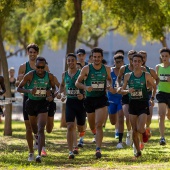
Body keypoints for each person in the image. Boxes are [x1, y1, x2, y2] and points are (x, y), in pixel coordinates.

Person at [75, 47, 114, 159]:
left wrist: (109, 85)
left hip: (101, 98)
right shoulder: (86, 69)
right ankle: (93, 132)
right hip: (90, 100)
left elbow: (110, 79)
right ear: (91, 58)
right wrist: (85, 87)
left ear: (102, 58)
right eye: (95, 57)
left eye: (99, 57)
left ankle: (98, 149)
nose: (97, 59)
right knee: (92, 125)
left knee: (99, 124)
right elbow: (78, 83)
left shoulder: (106, 69)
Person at [17, 57, 56, 163]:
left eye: (42, 67)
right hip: (31, 104)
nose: (40, 69)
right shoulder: (29, 75)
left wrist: (50, 93)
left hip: (43, 104)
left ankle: (38, 155)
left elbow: (54, 88)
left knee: (40, 128)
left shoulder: (49, 76)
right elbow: (19, 88)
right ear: (35, 66)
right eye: (38, 67)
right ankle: (31, 152)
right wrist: (29, 90)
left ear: (45, 67)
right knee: (33, 129)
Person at [121, 53, 156, 158]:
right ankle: (137, 151)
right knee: (134, 129)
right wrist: (127, 90)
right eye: (134, 61)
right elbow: (122, 90)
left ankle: (145, 132)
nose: (136, 63)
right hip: (132, 104)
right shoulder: (127, 76)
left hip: (143, 104)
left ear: (142, 63)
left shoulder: (146, 75)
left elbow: (154, 86)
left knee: (140, 129)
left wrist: (152, 98)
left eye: (138, 61)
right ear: (132, 62)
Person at [57, 53, 86, 159]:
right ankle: (70, 151)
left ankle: (81, 134)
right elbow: (62, 85)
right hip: (70, 102)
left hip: (80, 103)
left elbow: (86, 87)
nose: (70, 62)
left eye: (72, 60)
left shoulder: (81, 73)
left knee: (80, 126)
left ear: (75, 61)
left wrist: (83, 95)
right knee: (70, 126)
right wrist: (60, 93)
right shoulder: (64, 74)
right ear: (66, 62)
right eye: (68, 60)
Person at [138, 50, 159, 150]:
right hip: (137, 97)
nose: (143, 59)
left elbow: (157, 79)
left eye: (144, 57)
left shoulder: (150, 70)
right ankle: (140, 141)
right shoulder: (133, 71)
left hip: (148, 95)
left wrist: (152, 84)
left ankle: (148, 128)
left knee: (149, 117)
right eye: (141, 57)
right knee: (139, 121)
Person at [117, 50, 137, 146]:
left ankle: (135, 135)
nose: (130, 59)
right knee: (127, 116)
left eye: (132, 57)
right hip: (125, 95)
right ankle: (129, 132)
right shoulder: (123, 68)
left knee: (135, 118)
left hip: (137, 96)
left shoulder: (140, 69)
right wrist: (118, 86)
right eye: (129, 57)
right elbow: (118, 78)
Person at [107, 54, 124, 148]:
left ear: (123, 62)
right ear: (114, 62)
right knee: (113, 121)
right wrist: (109, 88)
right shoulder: (110, 71)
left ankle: (120, 141)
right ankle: (116, 128)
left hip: (121, 98)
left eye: (120, 62)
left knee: (121, 117)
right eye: (117, 62)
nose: (119, 64)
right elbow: (106, 82)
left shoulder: (125, 72)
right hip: (112, 98)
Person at [155, 47, 170, 145]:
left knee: (169, 116)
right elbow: (156, 80)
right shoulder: (158, 67)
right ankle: (162, 137)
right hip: (161, 93)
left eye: (166, 56)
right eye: (163, 56)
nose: (164, 58)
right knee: (161, 115)